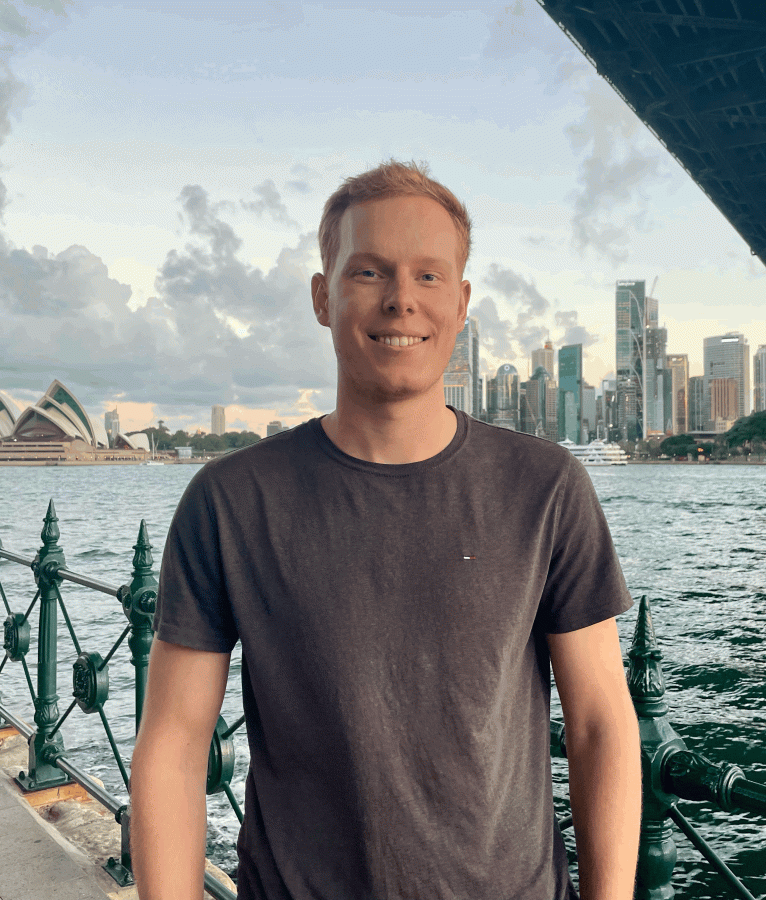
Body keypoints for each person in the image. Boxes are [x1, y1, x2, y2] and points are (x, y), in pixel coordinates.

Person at [130, 161, 641, 900]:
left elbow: (599, 723)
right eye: (369, 272)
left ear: (461, 303)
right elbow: (174, 743)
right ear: (322, 296)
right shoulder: (231, 500)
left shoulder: (546, 487)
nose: (402, 301)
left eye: (429, 277)